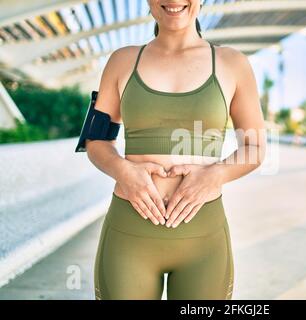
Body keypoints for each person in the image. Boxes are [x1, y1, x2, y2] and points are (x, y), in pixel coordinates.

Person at [75, 0, 266, 300]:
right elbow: (95, 141)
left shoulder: (233, 63)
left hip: (204, 241)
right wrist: (123, 170)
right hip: (129, 236)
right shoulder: (123, 61)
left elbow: (255, 147)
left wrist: (215, 175)